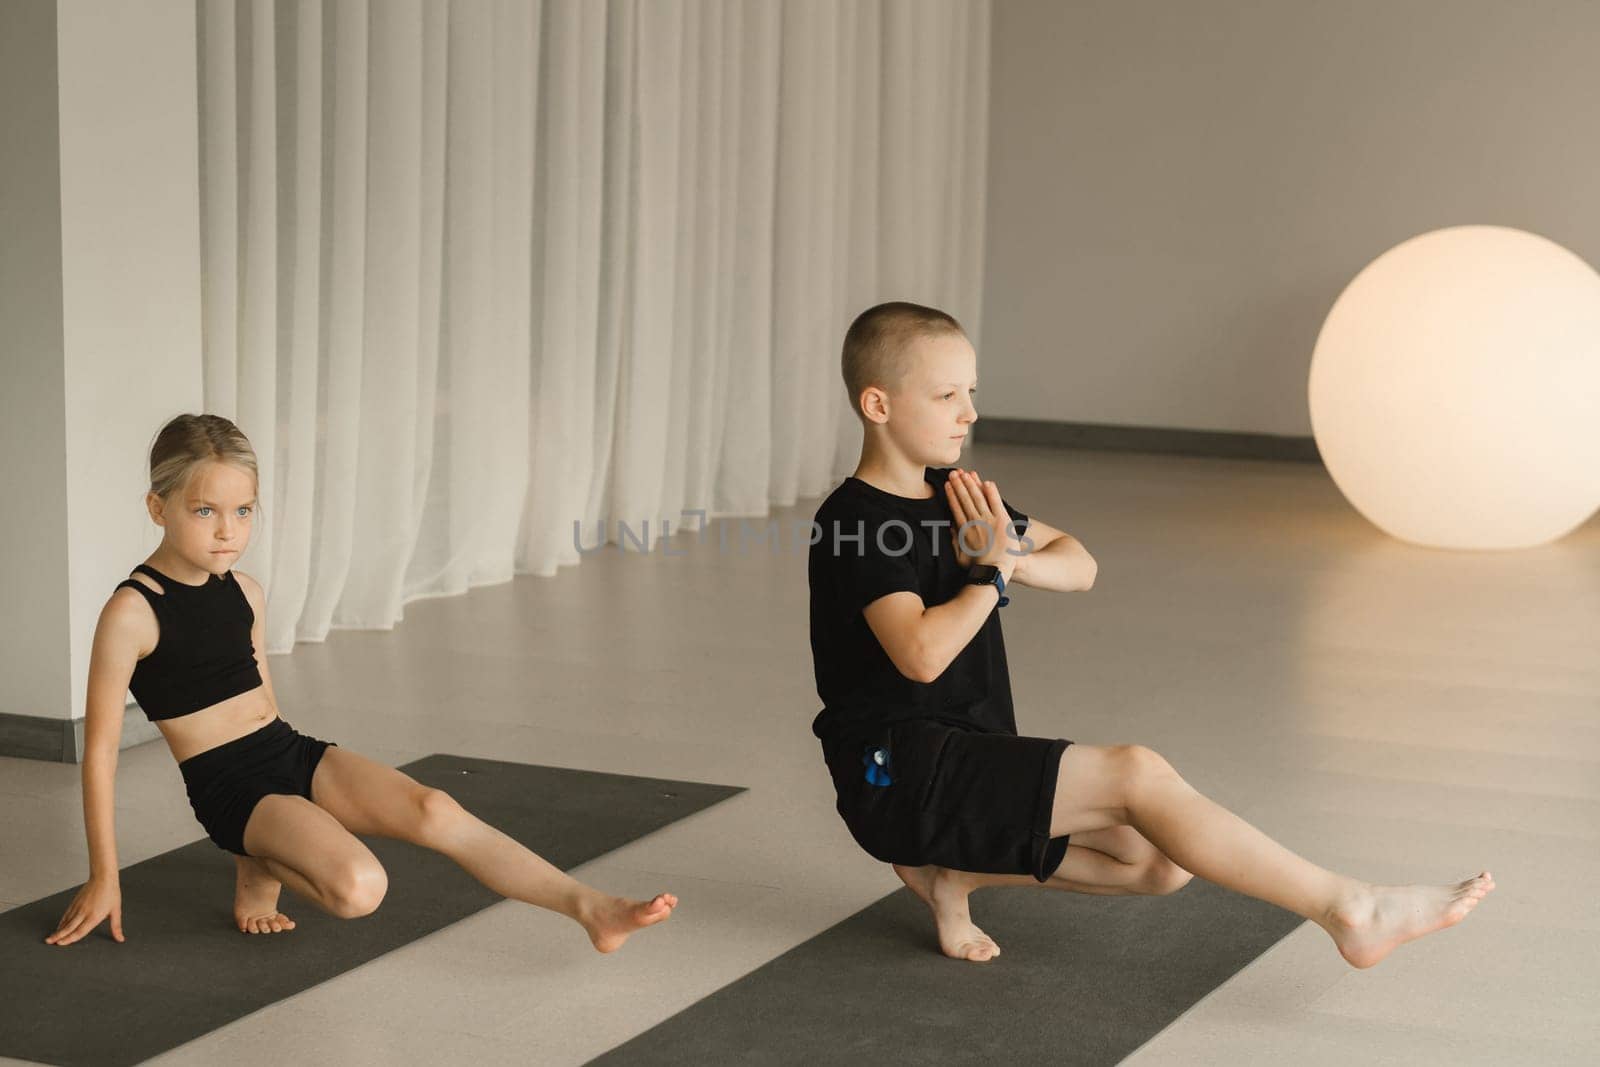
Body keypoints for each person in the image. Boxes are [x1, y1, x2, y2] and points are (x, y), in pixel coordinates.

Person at [808, 300, 1494, 965]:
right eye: (946, 394)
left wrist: (1007, 558)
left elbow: (1080, 564)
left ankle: (955, 877)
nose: (971, 411)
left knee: (1158, 862)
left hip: (969, 750)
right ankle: (1350, 909)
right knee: (1136, 771)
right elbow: (921, 654)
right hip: (896, 772)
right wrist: (989, 571)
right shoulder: (856, 521)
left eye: (973, 390)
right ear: (878, 405)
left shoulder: (955, 494)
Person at [46, 413, 676, 948]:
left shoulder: (246, 592)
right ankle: (255, 854)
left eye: (242, 510)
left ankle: (589, 908)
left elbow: (264, 701)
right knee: (359, 889)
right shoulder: (133, 611)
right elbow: (99, 754)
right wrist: (105, 874)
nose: (226, 531)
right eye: (204, 510)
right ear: (158, 507)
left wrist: (305, 782)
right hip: (227, 786)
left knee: (436, 807)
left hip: (286, 751)